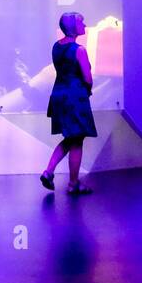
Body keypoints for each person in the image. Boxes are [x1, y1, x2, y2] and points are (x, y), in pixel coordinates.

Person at [40, 12, 97, 195]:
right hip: (75, 97)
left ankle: (48, 172)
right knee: (77, 140)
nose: (85, 25)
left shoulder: (56, 47)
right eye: (82, 22)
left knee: (70, 138)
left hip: (59, 95)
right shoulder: (79, 50)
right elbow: (87, 77)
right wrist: (88, 88)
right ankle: (73, 184)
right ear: (73, 26)